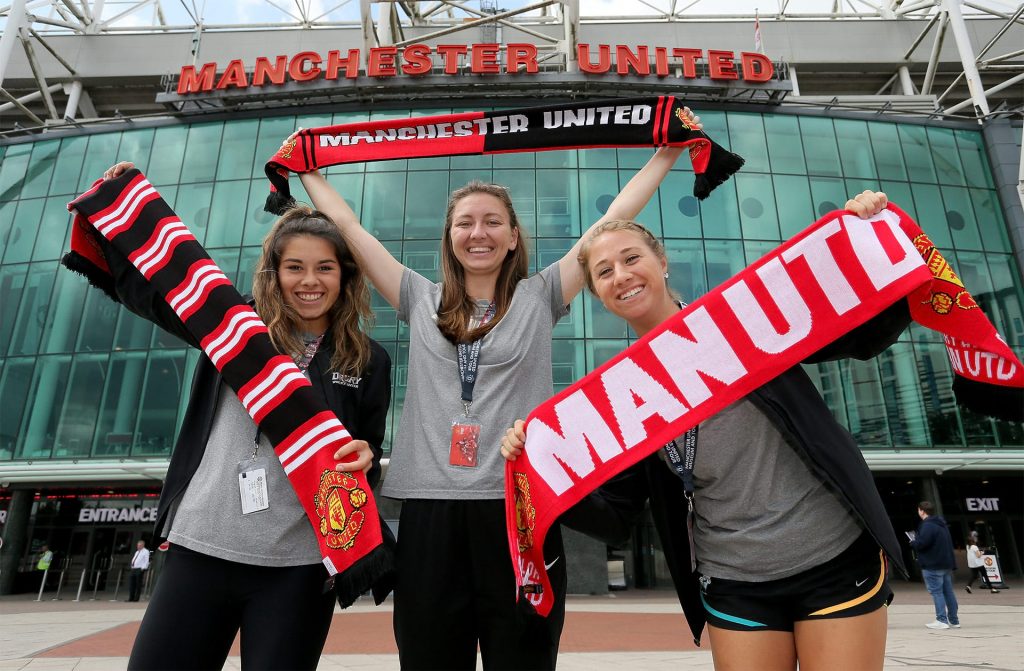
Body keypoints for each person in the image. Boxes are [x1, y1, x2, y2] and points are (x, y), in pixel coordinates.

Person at [291, 109, 700, 670]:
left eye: (490, 222)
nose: (477, 232)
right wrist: (308, 167)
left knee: (522, 659)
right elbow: (352, 230)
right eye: (464, 222)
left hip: (520, 509)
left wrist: (667, 152)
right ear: (450, 236)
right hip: (431, 513)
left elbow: (614, 218)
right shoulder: (418, 298)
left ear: (512, 237)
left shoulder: (541, 297)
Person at [502, 193, 907, 671]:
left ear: (663, 261)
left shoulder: (740, 317)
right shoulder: (622, 392)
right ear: (596, 294)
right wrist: (539, 471)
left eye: (631, 258)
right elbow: (616, 517)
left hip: (832, 555)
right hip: (733, 581)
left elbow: (866, 332)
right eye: (604, 272)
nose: (622, 276)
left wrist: (868, 232)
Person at [95, 162, 393, 671]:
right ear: (274, 273)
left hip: (298, 566)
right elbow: (153, 290)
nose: (309, 281)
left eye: (325, 267)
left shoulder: (368, 359)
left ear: (345, 275)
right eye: (294, 267)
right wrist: (115, 202)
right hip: (201, 547)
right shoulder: (233, 328)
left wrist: (368, 458)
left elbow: (365, 450)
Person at [910, 501, 960, 629]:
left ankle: (941, 620)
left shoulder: (927, 525)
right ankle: (954, 621)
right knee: (948, 592)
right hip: (945, 564)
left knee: (937, 592)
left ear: (921, 510)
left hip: (933, 565)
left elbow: (922, 544)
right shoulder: (941, 524)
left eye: (918, 510)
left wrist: (913, 542)